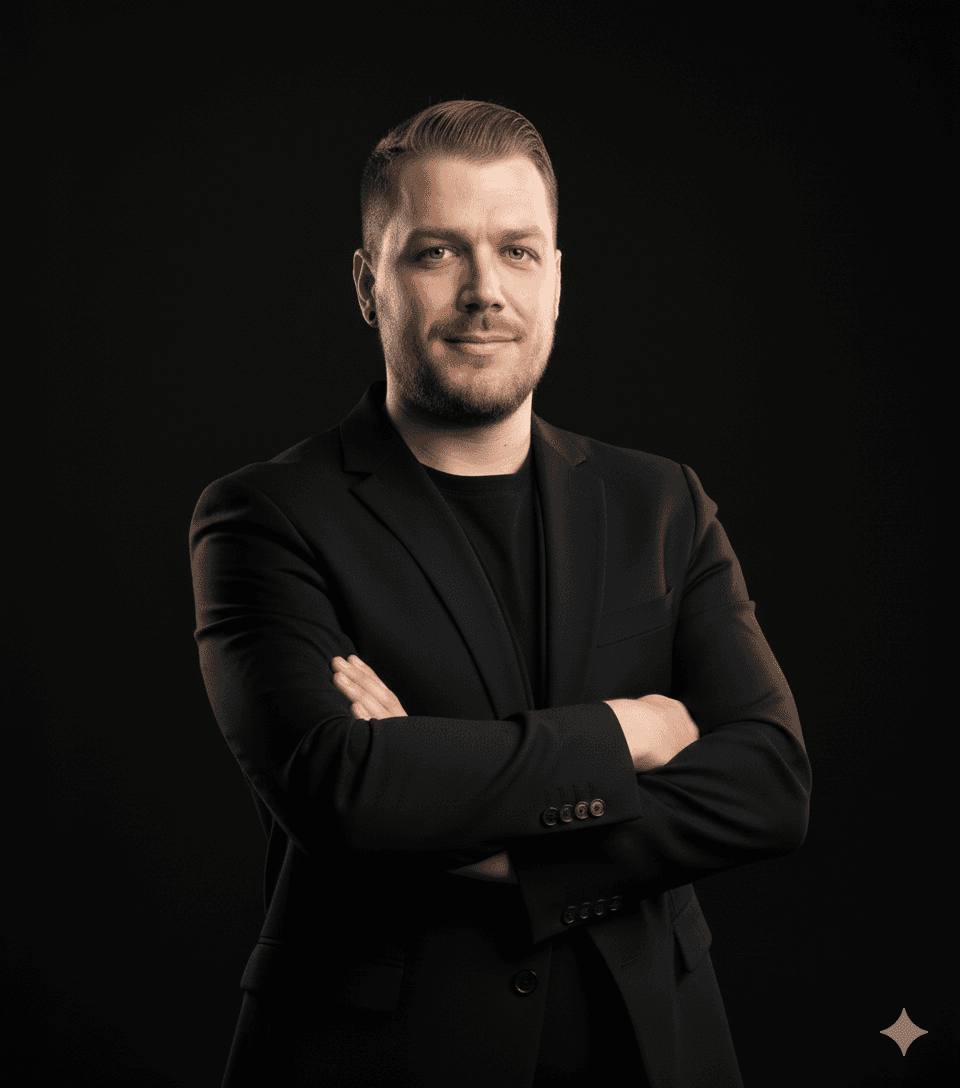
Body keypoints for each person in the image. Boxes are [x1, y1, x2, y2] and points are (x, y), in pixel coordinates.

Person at [189, 99, 811, 1088]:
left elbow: (771, 783)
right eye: (438, 251)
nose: (485, 290)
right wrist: (626, 729)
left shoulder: (663, 500)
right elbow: (348, 788)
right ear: (367, 284)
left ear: (558, 279)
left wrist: (501, 861)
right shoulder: (264, 516)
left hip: (657, 1052)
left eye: (518, 251)